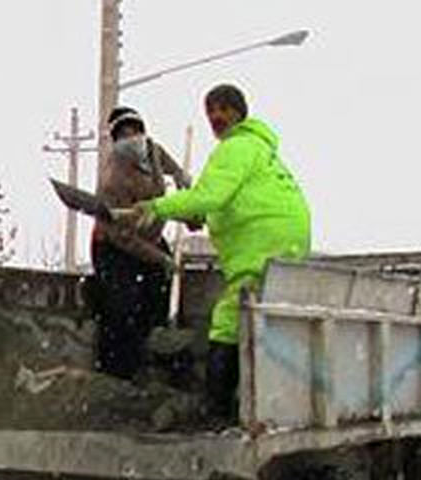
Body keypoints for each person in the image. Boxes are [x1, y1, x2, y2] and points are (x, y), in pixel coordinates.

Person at [114, 84, 311, 422]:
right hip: (281, 241)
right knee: (255, 322)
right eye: (211, 112)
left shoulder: (236, 148)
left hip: (261, 243)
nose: (216, 118)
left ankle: (218, 414)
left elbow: (211, 195)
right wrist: (195, 215)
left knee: (227, 322)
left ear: (239, 112)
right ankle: (250, 408)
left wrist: (155, 207)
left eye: (223, 109)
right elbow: (225, 201)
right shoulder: (259, 150)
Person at [90, 105, 190, 379]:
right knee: (121, 309)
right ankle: (116, 374)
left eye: (136, 131)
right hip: (115, 246)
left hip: (150, 235)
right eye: (124, 134)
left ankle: (154, 363)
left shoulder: (153, 151)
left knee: (157, 296)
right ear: (116, 141)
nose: (132, 139)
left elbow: (168, 168)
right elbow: (122, 237)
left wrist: (181, 178)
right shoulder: (113, 180)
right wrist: (160, 258)